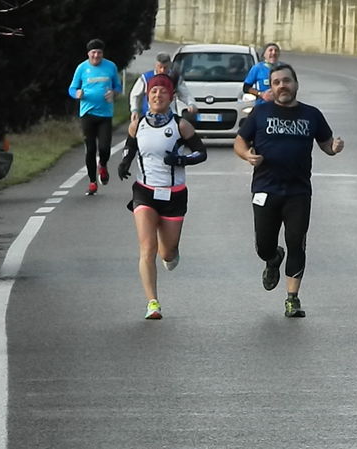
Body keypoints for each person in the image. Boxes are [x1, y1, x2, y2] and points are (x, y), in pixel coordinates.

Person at [233, 63, 344, 318]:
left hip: (298, 192)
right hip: (265, 189)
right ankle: (272, 259)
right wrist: (246, 155)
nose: (282, 85)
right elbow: (240, 142)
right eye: (277, 82)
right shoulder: (260, 113)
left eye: (286, 81)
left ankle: (292, 298)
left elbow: (326, 143)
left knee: (296, 243)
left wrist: (334, 147)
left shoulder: (311, 115)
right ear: (271, 87)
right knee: (263, 245)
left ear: (295, 84)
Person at [118, 74, 207, 320]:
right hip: (144, 192)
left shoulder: (181, 126)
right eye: (154, 92)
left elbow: (201, 153)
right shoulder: (138, 124)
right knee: (147, 247)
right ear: (148, 97)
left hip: (174, 195)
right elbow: (131, 145)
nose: (158, 96)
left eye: (163, 92)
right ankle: (152, 303)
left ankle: (170, 252)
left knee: (166, 253)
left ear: (171, 97)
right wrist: (125, 161)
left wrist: (180, 160)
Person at [68, 38, 122, 195]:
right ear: (88, 54)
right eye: (93, 53)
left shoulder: (110, 66)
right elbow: (72, 88)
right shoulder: (82, 68)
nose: (96, 56)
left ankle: (103, 165)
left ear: (102, 53)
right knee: (90, 149)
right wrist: (76, 93)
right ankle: (92, 182)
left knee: (104, 148)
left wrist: (114, 93)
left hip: (105, 114)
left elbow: (118, 86)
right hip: (87, 114)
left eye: (99, 52)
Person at [129, 52, 197, 123]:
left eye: (165, 67)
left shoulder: (175, 78)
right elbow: (135, 95)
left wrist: (191, 103)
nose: (162, 70)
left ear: (170, 65)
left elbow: (185, 94)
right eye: (160, 67)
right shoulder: (146, 78)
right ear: (156, 65)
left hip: (170, 117)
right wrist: (134, 110)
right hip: (149, 116)